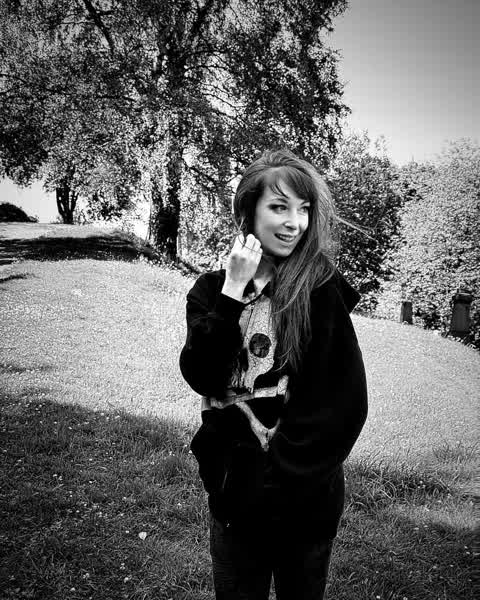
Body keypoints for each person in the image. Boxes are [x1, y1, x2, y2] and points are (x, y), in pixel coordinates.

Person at [179, 149, 368, 600]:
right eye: (279, 207)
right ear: (249, 211)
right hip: (235, 499)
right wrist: (232, 291)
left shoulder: (319, 291)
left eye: (303, 210)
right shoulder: (210, 290)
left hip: (305, 503)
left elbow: (344, 404)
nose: (294, 223)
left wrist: (281, 477)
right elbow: (203, 375)